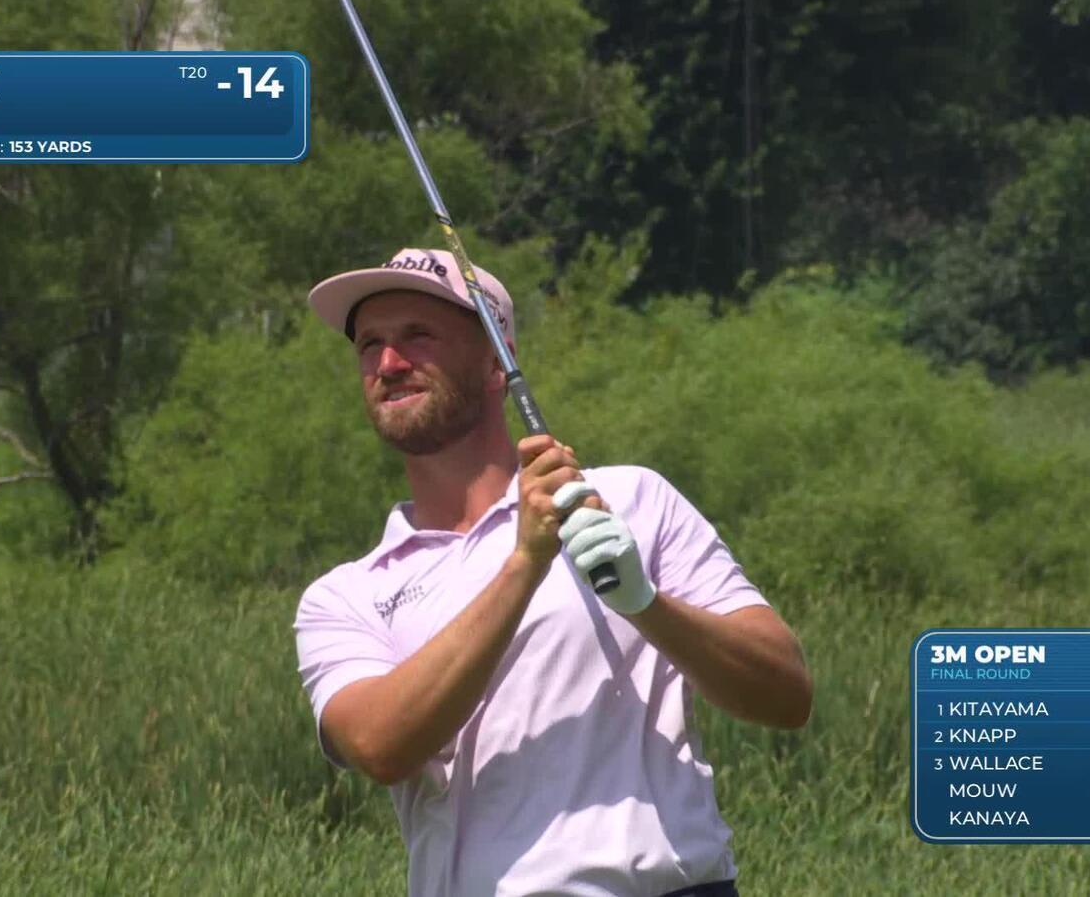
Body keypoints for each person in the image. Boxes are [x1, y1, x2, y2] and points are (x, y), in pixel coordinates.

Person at [294, 247, 813, 897]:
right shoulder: (346, 595)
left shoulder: (631, 501)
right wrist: (525, 563)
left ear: (495, 358)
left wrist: (645, 603)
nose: (389, 364)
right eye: (370, 344)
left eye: (417, 336)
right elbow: (379, 747)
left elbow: (787, 694)